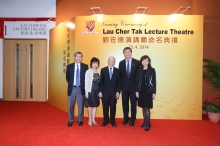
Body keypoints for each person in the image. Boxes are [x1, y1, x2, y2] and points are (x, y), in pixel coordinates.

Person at [66, 52, 88, 127]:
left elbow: (86, 78)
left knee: (81, 105)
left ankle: (80, 119)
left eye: (80, 57)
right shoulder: (69, 66)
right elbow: (67, 78)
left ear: (82, 58)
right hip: (72, 88)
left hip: (80, 88)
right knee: (70, 105)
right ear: (74, 57)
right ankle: (70, 120)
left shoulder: (85, 66)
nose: (78, 58)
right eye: (77, 56)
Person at [119, 47, 140, 126]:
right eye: (125, 52)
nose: (127, 53)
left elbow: (138, 77)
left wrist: (137, 89)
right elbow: (120, 77)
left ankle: (132, 119)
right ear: (123, 54)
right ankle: (126, 118)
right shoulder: (121, 63)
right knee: (125, 103)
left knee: (133, 104)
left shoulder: (137, 62)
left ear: (131, 53)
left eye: (128, 52)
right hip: (124, 87)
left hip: (134, 88)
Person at [135, 55, 156, 131]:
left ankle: (148, 124)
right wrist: (137, 91)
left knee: (147, 108)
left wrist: (154, 92)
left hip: (148, 91)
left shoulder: (152, 70)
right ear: (141, 62)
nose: (145, 62)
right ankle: (145, 121)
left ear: (149, 61)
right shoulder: (139, 70)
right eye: (143, 61)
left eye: (146, 61)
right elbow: (137, 82)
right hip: (141, 91)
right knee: (143, 107)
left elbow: (154, 82)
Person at [98, 56, 121, 127]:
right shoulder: (103, 70)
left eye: (113, 61)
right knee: (105, 108)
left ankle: (112, 121)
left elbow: (119, 83)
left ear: (114, 62)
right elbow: (100, 82)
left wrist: (118, 92)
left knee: (113, 108)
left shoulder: (117, 71)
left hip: (114, 93)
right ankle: (105, 121)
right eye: (110, 61)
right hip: (104, 93)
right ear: (108, 61)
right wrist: (100, 91)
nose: (111, 62)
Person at [85, 57, 100, 126]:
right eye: (94, 63)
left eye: (96, 63)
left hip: (97, 90)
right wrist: (86, 92)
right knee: (90, 106)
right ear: (91, 64)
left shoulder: (99, 71)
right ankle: (90, 119)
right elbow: (86, 82)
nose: (95, 64)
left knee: (95, 106)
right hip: (90, 90)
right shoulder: (88, 71)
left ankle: (94, 119)